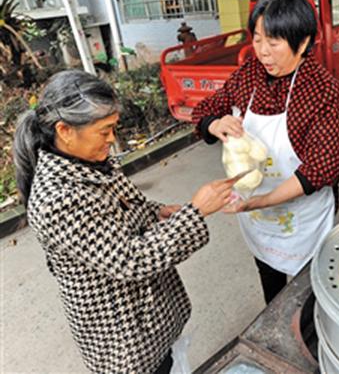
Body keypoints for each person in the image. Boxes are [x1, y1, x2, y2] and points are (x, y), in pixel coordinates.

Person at [13, 70, 234, 373]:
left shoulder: (89, 161)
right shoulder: (57, 199)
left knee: (167, 361)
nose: (112, 140)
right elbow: (130, 259)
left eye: (113, 128)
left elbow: (123, 206)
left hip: (147, 315)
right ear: (64, 130)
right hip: (122, 335)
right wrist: (195, 213)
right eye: (103, 131)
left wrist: (157, 212)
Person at [191, 0, 339, 304]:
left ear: (303, 43)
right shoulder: (249, 74)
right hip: (258, 217)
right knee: (271, 284)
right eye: (258, 39)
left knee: (310, 290)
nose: (263, 52)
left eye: (274, 42)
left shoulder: (322, 90)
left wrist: (258, 202)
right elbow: (206, 109)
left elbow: (321, 167)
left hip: (304, 215)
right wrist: (214, 123)